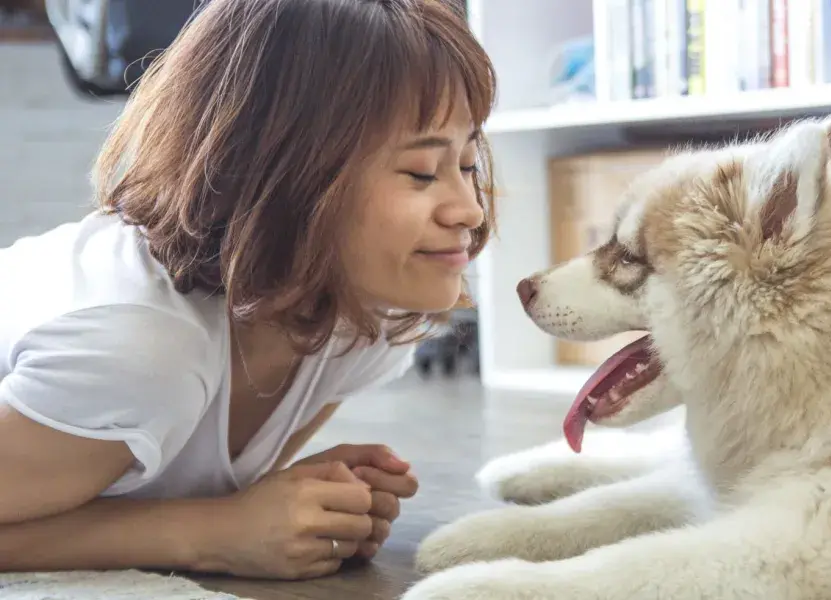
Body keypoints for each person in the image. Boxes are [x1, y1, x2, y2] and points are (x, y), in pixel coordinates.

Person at [0, 0, 496, 581]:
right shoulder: (140, 349)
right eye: (420, 172)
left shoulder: (366, 317)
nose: (469, 209)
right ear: (283, 171)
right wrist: (210, 533)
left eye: (467, 165)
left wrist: (297, 503)